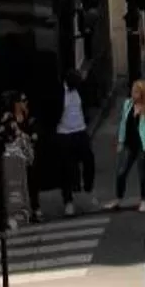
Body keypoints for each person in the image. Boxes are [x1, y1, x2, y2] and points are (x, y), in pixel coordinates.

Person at [112, 77, 145, 211]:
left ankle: (143, 200)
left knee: (143, 174)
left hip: (143, 146)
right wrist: (121, 141)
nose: (133, 95)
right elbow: (123, 123)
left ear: (142, 94)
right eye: (133, 92)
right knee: (121, 172)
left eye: (136, 92)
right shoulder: (127, 104)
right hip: (129, 144)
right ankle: (118, 198)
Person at [0, 93, 41, 225]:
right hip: (14, 156)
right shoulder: (8, 118)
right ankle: (15, 211)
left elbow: (35, 133)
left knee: (32, 182)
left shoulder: (30, 118)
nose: (25, 104)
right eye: (22, 101)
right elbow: (1, 134)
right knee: (14, 185)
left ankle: (35, 208)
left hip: (28, 156)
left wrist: (31, 136)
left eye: (25, 101)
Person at [55, 72, 94, 210]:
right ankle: (68, 200)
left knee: (89, 159)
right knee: (67, 168)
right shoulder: (60, 93)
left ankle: (87, 184)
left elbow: (86, 104)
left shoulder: (80, 90)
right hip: (64, 134)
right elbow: (54, 111)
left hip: (80, 131)